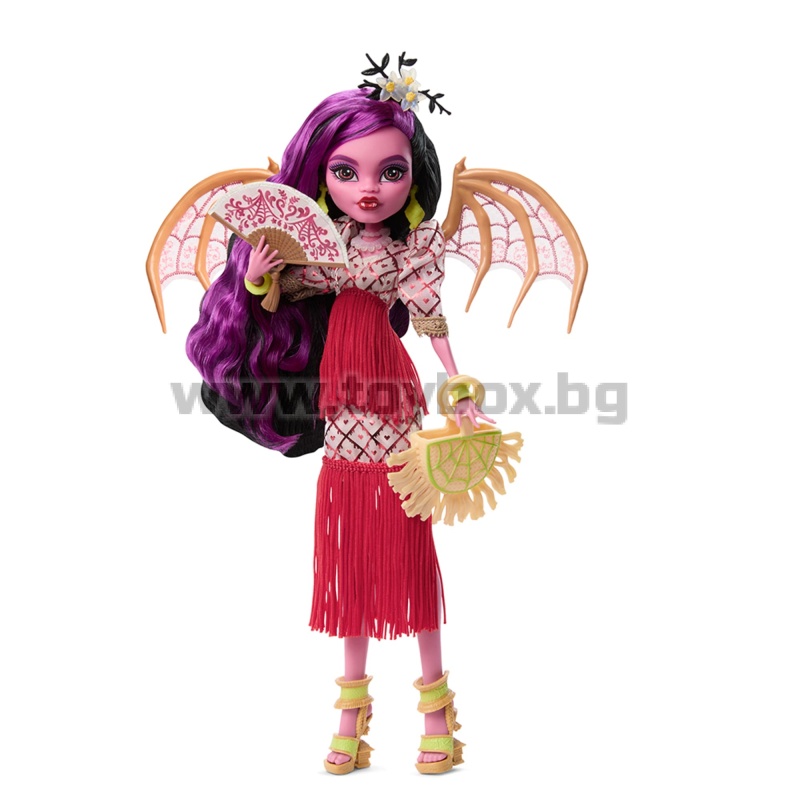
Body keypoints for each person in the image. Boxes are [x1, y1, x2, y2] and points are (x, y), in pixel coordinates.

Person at [186, 86, 490, 774]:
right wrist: (257, 280)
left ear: (413, 174)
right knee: (349, 556)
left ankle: (437, 712)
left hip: (391, 396)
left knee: (408, 551)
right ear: (323, 174)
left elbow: (433, 321)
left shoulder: (411, 251)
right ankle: (352, 713)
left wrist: (460, 390)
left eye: (391, 170)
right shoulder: (322, 244)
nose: (369, 189)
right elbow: (285, 296)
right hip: (340, 404)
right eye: (346, 171)